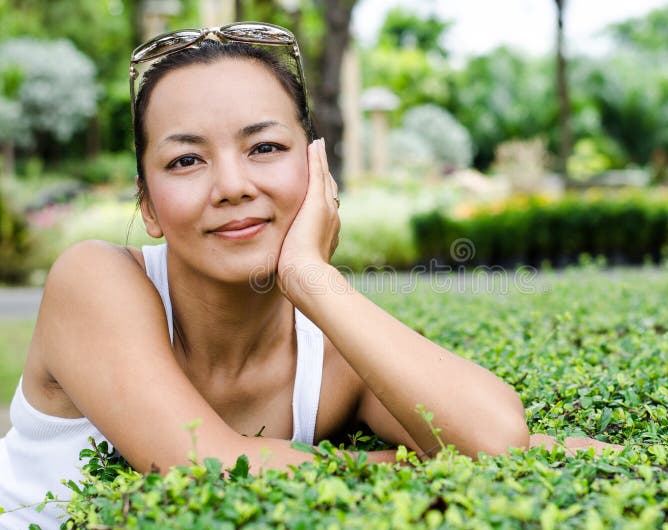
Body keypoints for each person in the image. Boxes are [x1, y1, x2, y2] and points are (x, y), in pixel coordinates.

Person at [0, 23, 619, 529]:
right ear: (148, 206)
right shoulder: (94, 279)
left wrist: (306, 272)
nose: (234, 186)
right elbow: (207, 465)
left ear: (316, 167)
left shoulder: (332, 355)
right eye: (186, 159)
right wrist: (418, 465)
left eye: (264, 148)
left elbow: (495, 439)